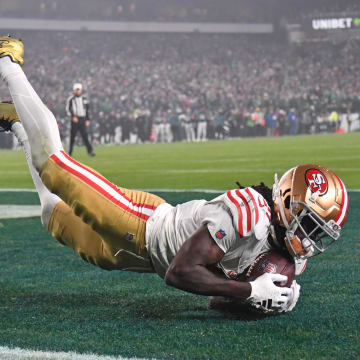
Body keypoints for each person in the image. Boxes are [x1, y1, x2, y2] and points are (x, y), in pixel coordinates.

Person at [0, 37, 349, 315]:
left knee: (51, 214)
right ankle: (8, 61)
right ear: (289, 202)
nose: (309, 240)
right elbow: (180, 272)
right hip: (139, 222)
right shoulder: (250, 212)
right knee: (54, 165)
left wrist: (262, 301)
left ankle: (18, 123)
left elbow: (215, 297)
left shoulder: (283, 254)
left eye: (318, 232)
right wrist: (249, 290)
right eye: (310, 225)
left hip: (137, 258)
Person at [65, 82, 95, 157]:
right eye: (76, 90)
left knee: (85, 136)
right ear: (74, 90)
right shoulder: (71, 99)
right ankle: (70, 153)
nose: (78, 91)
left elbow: (87, 110)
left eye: (79, 90)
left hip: (82, 119)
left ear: (81, 90)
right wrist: (73, 116)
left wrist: (87, 119)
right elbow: (68, 109)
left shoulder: (84, 99)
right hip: (74, 119)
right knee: (72, 136)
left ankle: (90, 151)